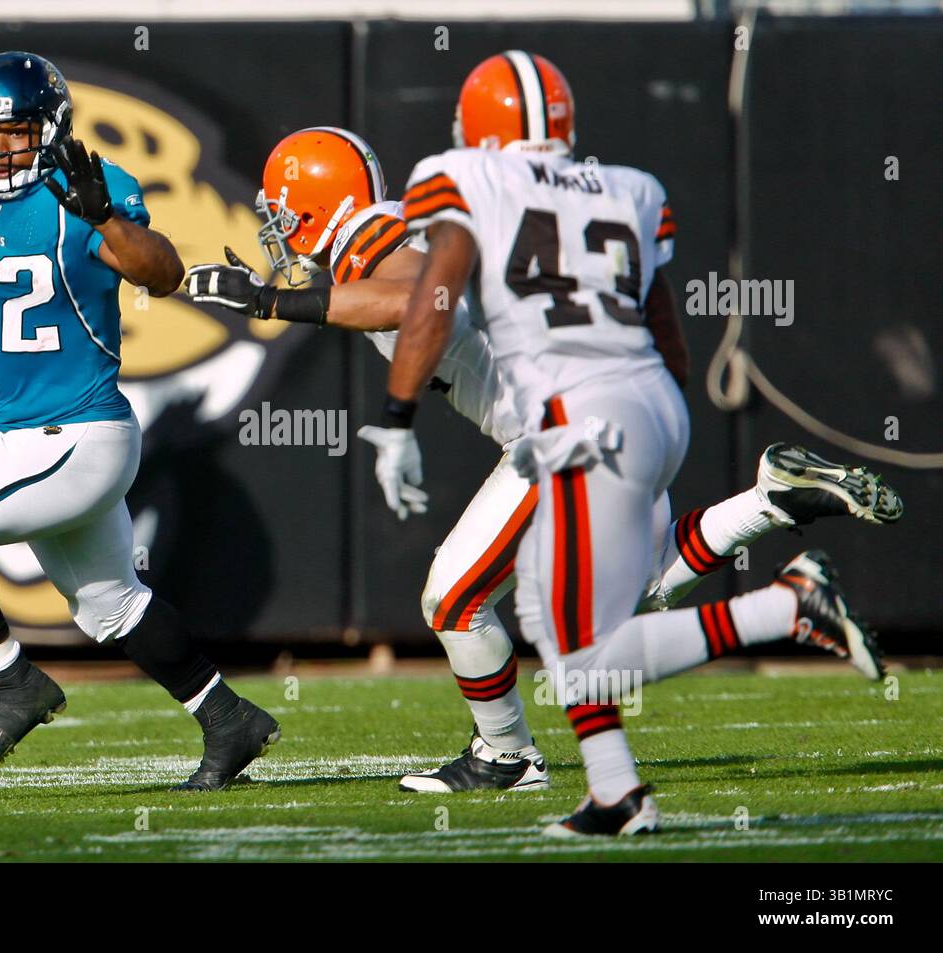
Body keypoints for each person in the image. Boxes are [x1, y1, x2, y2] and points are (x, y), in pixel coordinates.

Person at [185, 122, 902, 799]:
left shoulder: (372, 232)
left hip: (561, 425)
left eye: (281, 213)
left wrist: (273, 298)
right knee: (643, 588)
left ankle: (504, 754)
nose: (275, 230)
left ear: (317, 207)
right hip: (612, 406)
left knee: (454, 596)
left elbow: (408, 299)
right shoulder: (397, 233)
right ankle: (774, 502)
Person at [379, 50, 903, 835]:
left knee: (573, 645)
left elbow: (433, 298)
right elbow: (668, 331)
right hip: (653, 407)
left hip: (577, 417)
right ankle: (616, 792)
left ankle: (786, 607)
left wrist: (393, 424)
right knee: (580, 622)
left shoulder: (469, 179)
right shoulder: (626, 187)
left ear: (480, 128)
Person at [0, 51, 279, 789]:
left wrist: (103, 218)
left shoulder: (90, 187)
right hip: (28, 432)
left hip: (79, 431)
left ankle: (10, 679)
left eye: (15, 133)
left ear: (49, 129)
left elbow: (163, 273)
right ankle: (228, 718)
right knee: (112, 607)